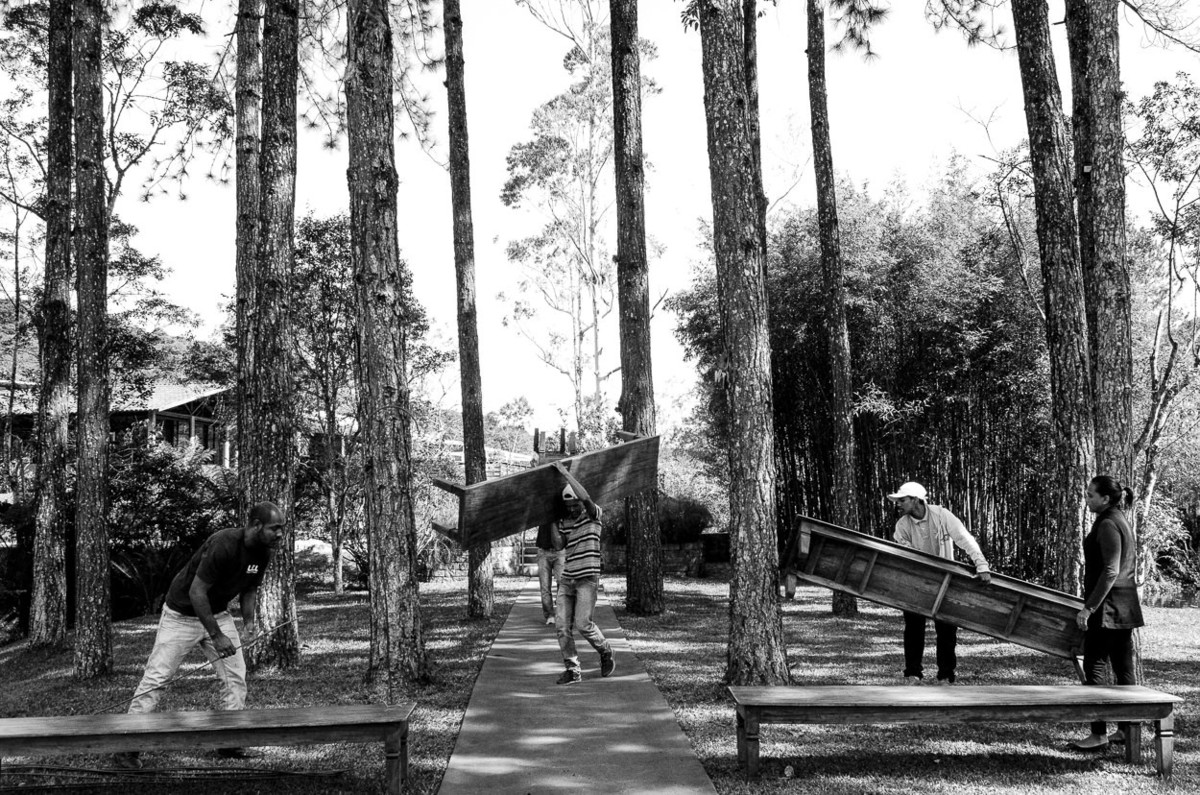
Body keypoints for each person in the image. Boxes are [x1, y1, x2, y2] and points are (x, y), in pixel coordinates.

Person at [116, 501, 286, 769]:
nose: (280, 535)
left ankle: (228, 740)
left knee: (235, 675)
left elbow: (250, 589)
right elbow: (197, 592)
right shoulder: (224, 544)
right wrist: (217, 636)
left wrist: (250, 623)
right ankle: (127, 746)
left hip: (217, 613)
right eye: (275, 528)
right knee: (157, 677)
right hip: (181, 614)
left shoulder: (264, 552)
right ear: (255, 525)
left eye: (281, 529)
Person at [888, 481, 992, 684]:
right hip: (917, 580)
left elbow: (964, 538)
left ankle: (946, 675)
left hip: (946, 579)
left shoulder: (942, 515)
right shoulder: (902, 526)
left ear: (916, 500)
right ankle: (913, 674)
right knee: (913, 628)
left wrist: (982, 566)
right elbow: (911, 555)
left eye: (902, 500)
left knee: (946, 629)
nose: (898, 504)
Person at [1070, 475, 1145, 751]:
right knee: (1124, 669)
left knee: (1095, 666)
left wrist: (1089, 608)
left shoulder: (1109, 523)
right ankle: (1126, 730)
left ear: (1105, 498)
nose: (1087, 498)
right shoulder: (1118, 517)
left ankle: (1099, 733)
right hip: (1123, 606)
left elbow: (1112, 570)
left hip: (1108, 608)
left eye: (1090, 495)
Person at [551, 462, 615, 684]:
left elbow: (586, 497)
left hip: (587, 579)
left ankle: (605, 651)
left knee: (583, 624)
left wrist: (565, 474)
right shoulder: (565, 522)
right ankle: (573, 669)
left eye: (574, 504)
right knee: (561, 627)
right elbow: (558, 545)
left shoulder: (593, 515)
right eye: (567, 506)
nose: (571, 509)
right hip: (567, 579)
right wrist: (548, 517)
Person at [535, 520, 566, 625]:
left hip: (560, 551)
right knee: (545, 587)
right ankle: (550, 615)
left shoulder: (561, 507)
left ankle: (562, 614)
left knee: (562, 584)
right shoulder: (541, 508)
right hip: (543, 550)